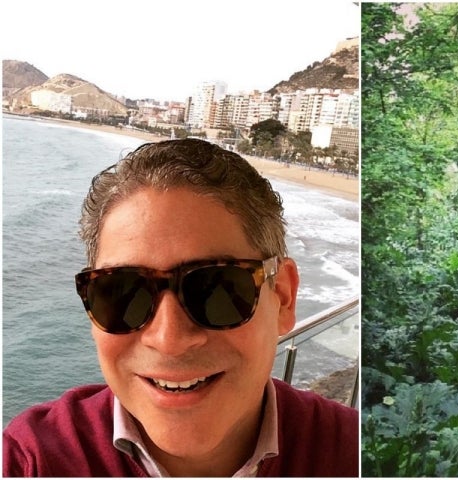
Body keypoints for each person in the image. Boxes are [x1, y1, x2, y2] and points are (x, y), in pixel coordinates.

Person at [3, 138, 358, 477]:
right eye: (123, 291)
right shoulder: (30, 460)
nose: (169, 338)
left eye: (215, 287)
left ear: (283, 297)